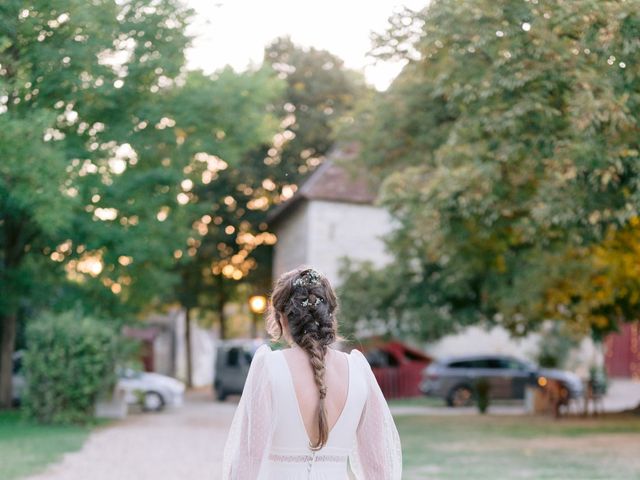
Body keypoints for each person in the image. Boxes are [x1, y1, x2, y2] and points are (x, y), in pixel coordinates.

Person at [222, 267, 402, 479]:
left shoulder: (269, 367)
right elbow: (378, 467)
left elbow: (248, 459)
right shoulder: (358, 370)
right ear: (329, 315)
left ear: (282, 318)